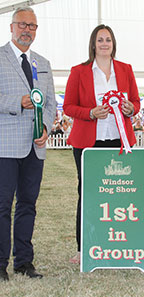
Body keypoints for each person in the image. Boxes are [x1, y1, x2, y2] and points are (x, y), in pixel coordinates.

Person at [63, 24, 140, 264]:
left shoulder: (125, 70)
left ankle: (114, 244)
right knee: (87, 194)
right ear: (93, 44)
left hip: (120, 141)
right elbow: (68, 106)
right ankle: (83, 246)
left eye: (108, 39)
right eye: (100, 40)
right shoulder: (79, 71)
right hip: (87, 143)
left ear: (113, 43)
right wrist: (91, 113)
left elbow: (136, 101)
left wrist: (130, 108)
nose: (104, 43)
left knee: (118, 192)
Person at [0, 7, 57, 281]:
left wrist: (44, 126)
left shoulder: (43, 63)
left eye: (32, 26)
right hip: (5, 146)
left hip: (36, 146)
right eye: (22, 24)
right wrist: (17, 102)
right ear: (11, 27)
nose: (27, 30)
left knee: (27, 205)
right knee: (2, 206)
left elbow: (50, 103)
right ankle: (0, 264)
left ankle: (24, 262)